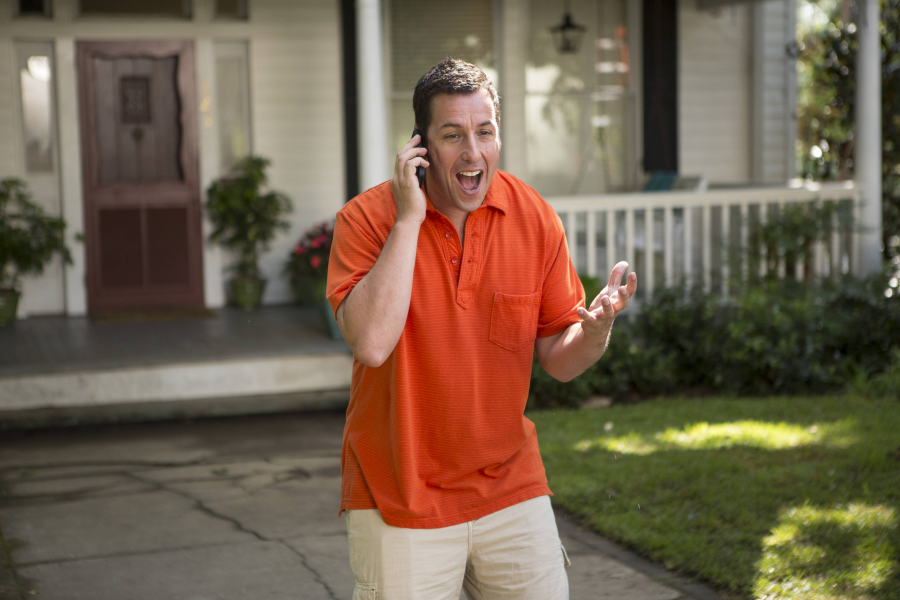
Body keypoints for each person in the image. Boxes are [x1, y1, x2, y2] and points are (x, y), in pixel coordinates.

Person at [326, 57, 637, 600]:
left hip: (509, 487)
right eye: (453, 135)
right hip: (399, 495)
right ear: (421, 146)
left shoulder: (533, 216)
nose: (473, 152)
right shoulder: (367, 219)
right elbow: (371, 344)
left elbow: (559, 361)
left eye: (485, 132)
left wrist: (594, 331)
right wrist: (408, 218)